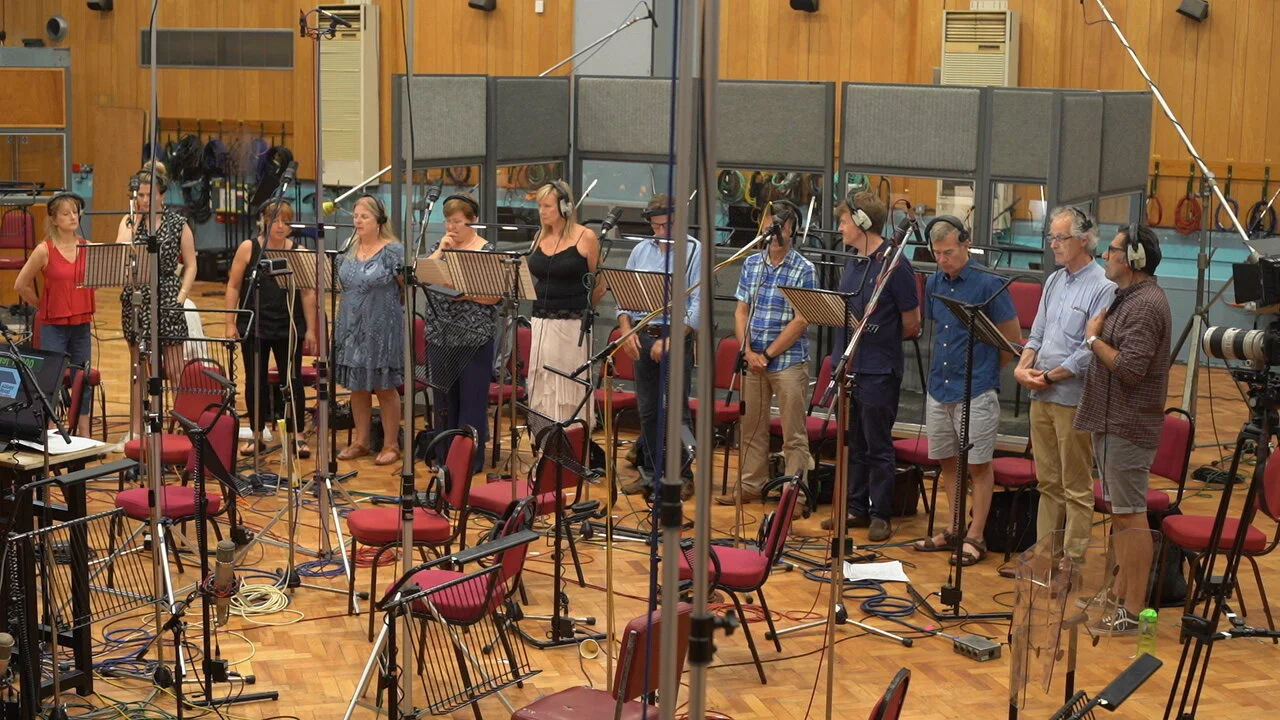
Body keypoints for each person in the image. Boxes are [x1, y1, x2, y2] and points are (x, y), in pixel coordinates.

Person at [1074, 225, 1170, 633]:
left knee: (1132, 517)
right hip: (1113, 421)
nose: (1104, 256)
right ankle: (1117, 594)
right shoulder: (1126, 297)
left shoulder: (1145, 305)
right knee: (1122, 516)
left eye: (1112, 250)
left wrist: (1093, 340)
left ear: (1133, 258)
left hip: (1128, 425)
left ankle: (1133, 611)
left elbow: (1130, 369)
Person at [911, 217, 1021, 565]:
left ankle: (976, 535)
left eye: (949, 252)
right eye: (937, 253)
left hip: (976, 389)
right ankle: (954, 527)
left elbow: (1011, 339)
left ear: (965, 244)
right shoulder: (933, 282)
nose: (942, 259)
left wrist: (985, 372)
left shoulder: (989, 284)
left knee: (978, 465)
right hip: (939, 387)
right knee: (948, 461)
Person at [1014, 206, 1116, 564]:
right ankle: (1045, 557)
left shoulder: (1104, 287)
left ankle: (1071, 564)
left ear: (1084, 240)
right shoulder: (1054, 280)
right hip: (1040, 393)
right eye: (1051, 237)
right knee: (1048, 483)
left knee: (1075, 486)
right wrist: (1023, 368)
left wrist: (1048, 377)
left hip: (1072, 398)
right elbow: (1037, 334)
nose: (1054, 245)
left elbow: (1089, 351)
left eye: (1061, 238)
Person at [826, 192, 920, 542]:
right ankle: (856, 507)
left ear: (862, 222)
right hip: (849, 365)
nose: (840, 227)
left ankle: (881, 513)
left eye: (844, 221)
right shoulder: (854, 262)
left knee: (878, 444)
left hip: (879, 369)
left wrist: (880, 334)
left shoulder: (895, 265)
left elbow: (912, 322)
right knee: (854, 443)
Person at [719, 200, 816, 512]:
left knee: (793, 434)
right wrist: (748, 351)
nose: (774, 231)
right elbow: (741, 311)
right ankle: (751, 484)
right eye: (769, 224)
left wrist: (767, 354)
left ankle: (794, 496)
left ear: (792, 230)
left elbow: (801, 320)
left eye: (781, 226)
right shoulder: (752, 264)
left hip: (788, 362)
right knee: (751, 426)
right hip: (753, 359)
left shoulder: (804, 269)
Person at [617, 194, 701, 500]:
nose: (662, 231)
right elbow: (625, 297)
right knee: (648, 411)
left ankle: (683, 475)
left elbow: (698, 304)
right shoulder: (640, 250)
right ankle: (650, 473)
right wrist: (626, 330)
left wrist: (673, 338)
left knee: (677, 411)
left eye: (667, 225)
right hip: (642, 335)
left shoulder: (693, 250)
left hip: (675, 336)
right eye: (656, 226)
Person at [223, 200, 318, 459]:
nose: (280, 226)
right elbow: (233, 286)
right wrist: (230, 322)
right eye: (275, 220)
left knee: (292, 380)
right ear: (264, 221)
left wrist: (311, 330)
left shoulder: (299, 252)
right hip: (255, 324)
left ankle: (298, 436)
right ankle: (257, 434)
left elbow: (308, 293)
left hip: (288, 325)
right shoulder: (249, 248)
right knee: (255, 380)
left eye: (285, 221)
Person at [115, 163, 198, 439]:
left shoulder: (178, 223)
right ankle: (137, 431)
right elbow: (120, 253)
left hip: (168, 296)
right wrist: (135, 221)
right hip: (137, 297)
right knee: (139, 369)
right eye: (140, 195)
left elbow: (191, 264)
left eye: (149, 195)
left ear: (162, 195)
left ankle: (183, 428)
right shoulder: (129, 221)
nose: (144, 200)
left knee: (174, 368)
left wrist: (181, 296)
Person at [424, 193, 499, 474]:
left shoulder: (486, 250)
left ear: (473, 221)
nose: (451, 227)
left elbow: (494, 296)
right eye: (448, 221)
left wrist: (465, 294)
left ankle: (468, 462)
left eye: (457, 222)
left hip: (473, 337)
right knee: (444, 402)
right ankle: (443, 459)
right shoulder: (440, 246)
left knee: (471, 402)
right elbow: (423, 276)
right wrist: (441, 252)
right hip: (440, 335)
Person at [15, 192, 96, 435]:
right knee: (52, 380)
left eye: (75, 212)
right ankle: (50, 432)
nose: (73, 217)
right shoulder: (44, 250)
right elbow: (20, 284)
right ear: (54, 219)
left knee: (84, 378)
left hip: (81, 323)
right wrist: (42, 304)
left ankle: (84, 434)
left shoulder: (88, 247)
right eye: (66, 213)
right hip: (53, 326)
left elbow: (101, 278)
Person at [526, 180, 604, 426]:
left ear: (565, 207)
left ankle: (571, 438)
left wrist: (583, 311)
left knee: (567, 383)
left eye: (547, 206)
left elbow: (599, 284)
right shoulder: (539, 236)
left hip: (571, 325)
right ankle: (543, 439)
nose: (542, 211)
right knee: (542, 380)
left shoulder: (585, 237)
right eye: (539, 206)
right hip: (540, 320)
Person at [334, 194, 405, 466]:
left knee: (384, 387)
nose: (358, 221)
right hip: (350, 327)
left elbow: (406, 287)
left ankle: (390, 444)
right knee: (357, 386)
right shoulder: (348, 246)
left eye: (364, 216)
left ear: (379, 221)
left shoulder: (393, 251)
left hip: (381, 328)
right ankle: (361, 441)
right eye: (356, 216)